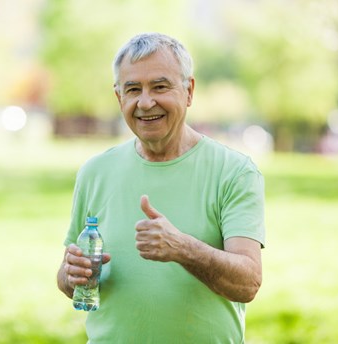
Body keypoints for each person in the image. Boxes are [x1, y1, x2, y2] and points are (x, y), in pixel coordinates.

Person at [57, 32, 265, 343]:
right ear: (119, 98)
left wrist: (182, 248)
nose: (145, 102)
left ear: (189, 91)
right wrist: (71, 275)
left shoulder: (234, 172)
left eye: (160, 86)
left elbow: (248, 283)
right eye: (132, 89)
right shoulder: (94, 172)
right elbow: (67, 280)